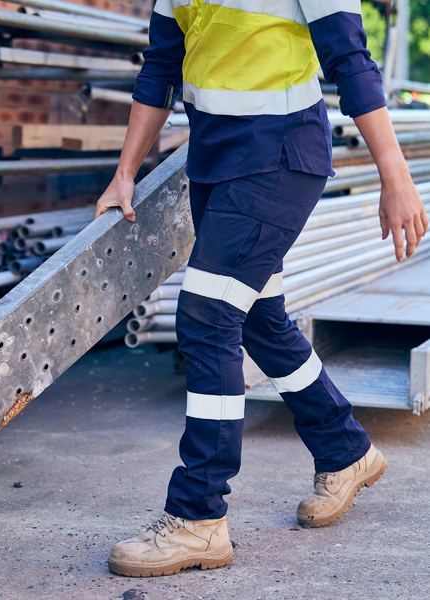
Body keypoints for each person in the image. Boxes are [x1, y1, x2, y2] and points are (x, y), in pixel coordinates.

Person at [96, 0, 429, 578]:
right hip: (213, 163)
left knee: (207, 316)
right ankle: (345, 449)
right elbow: (161, 68)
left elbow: (351, 60)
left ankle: (198, 516)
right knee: (257, 318)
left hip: (280, 156)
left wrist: (394, 175)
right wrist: (124, 174)